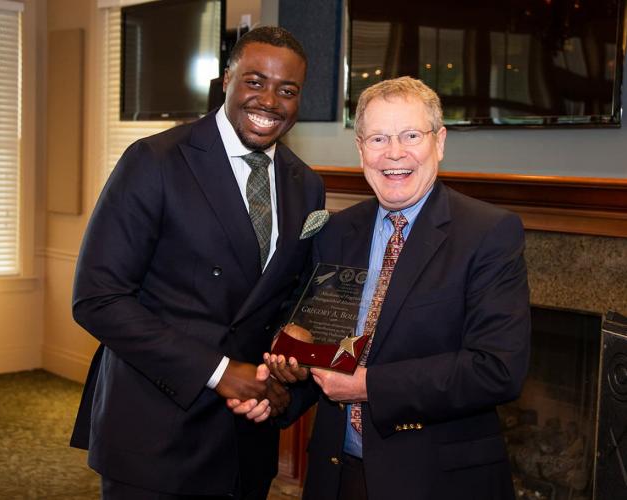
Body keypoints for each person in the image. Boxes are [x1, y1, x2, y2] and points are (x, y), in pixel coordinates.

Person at [234, 76, 531, 499]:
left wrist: (368, 385)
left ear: (439, 142)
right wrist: (285, 380)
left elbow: (497, 369)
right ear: (360, 150)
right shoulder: (336, 231)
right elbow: (326, 347)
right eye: (378, 138)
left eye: (411, 135)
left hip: (437, 482)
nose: (394, 153)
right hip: (338, 477)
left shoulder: (488, 233)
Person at [69, 26, 325, 499]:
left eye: (286, 90)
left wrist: (292, 351)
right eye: (254, 81)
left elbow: (287, 294)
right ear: (226, 79)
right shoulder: (156, 160)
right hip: (156, 429)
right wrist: (220, 371)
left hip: (247, 433)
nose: (269, 100)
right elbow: (97, 298)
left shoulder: (305, 184)